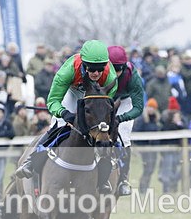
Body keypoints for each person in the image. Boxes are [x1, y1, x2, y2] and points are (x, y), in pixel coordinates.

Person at [13, 39, 118, 193]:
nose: (96, 73)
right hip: (72, 92)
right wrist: (64, 114)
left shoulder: (110, 77)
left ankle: (104, 178)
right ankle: (32, 159)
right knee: (59, 125)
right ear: (83, 63)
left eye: (100, 68)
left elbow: (105, 106)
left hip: (96, 97)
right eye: (92, 68)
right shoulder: (67, 71)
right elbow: (53, 101)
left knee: (102, 131)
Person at [107, 45, 145, 196]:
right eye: (112, 69)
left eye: (119, 69)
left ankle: (123, 179)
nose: (116, 74)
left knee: (122, 135)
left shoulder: (133, 76)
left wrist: (120, 118)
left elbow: (138, 107)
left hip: (125, 100)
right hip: (103, 99)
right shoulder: (97, 71)